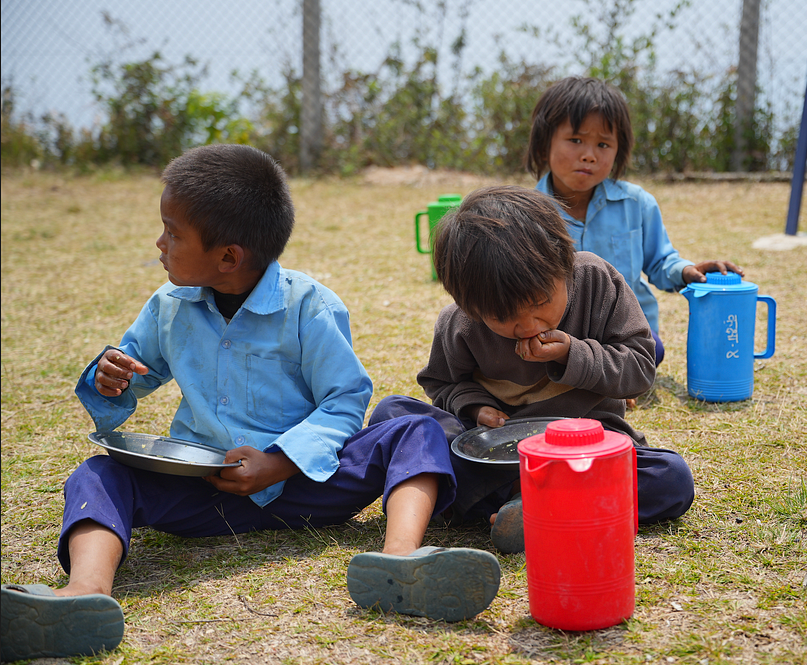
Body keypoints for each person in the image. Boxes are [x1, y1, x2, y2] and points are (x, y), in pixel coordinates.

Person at [0, 145, 499, 662]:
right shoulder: (168, 307)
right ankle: (85, 594)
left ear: (229, 256)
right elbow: (131, 374)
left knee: (412, 427)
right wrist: (110, 378)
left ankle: (400, 559)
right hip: (204, 488)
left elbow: (345, 398)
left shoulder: (309, 307)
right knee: (97, 475)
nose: (160, 242)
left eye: (173, 232)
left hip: (307, 484)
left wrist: (280, 462)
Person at [370, 185, 695, 555]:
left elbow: (639, 368)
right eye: (503, 318)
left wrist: (572, 354)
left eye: (541, 303)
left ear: (564, 262)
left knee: (670, 478)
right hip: (495, 459)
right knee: (392, 415)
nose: (527, 326)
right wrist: (474, 406)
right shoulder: (459, 324)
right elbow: (442, 384)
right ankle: (530, 503)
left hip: (582, 453)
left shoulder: (596, 282)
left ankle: (516, 506)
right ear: (469, 305)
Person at [525, 76, 743, 369]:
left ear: (618, 152)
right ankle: (595, 378)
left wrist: (687, 271)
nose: (589, 155)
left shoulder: (637, 204)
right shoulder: (524, 213)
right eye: (576, 140)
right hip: (557, 336)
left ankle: (609, 378)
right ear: (544, 145)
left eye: (603, 144)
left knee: (654, 350)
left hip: (625, 335)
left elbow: (660, 262)